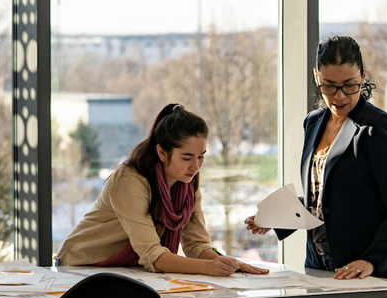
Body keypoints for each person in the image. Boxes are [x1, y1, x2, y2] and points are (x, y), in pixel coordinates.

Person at [245, 35, 387, 281]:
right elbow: (325, 198)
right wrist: (276, 218)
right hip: (317, 266)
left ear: (363, 76)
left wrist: (371, 260)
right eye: (329, 85)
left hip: (367, 272)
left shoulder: (378, 128)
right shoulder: (313, 122)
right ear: (316, 77)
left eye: (349, 85)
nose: (339, 96)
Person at [56, 103, 268, 277]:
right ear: (162, 152)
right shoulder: (130, 180)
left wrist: (231, 263)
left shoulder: (188, 182)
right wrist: (209, 268)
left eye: (201, 156)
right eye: (186, 157)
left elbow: (197, 244)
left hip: (128, 270)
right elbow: (152, 254)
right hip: (80, 267)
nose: (196, 166)